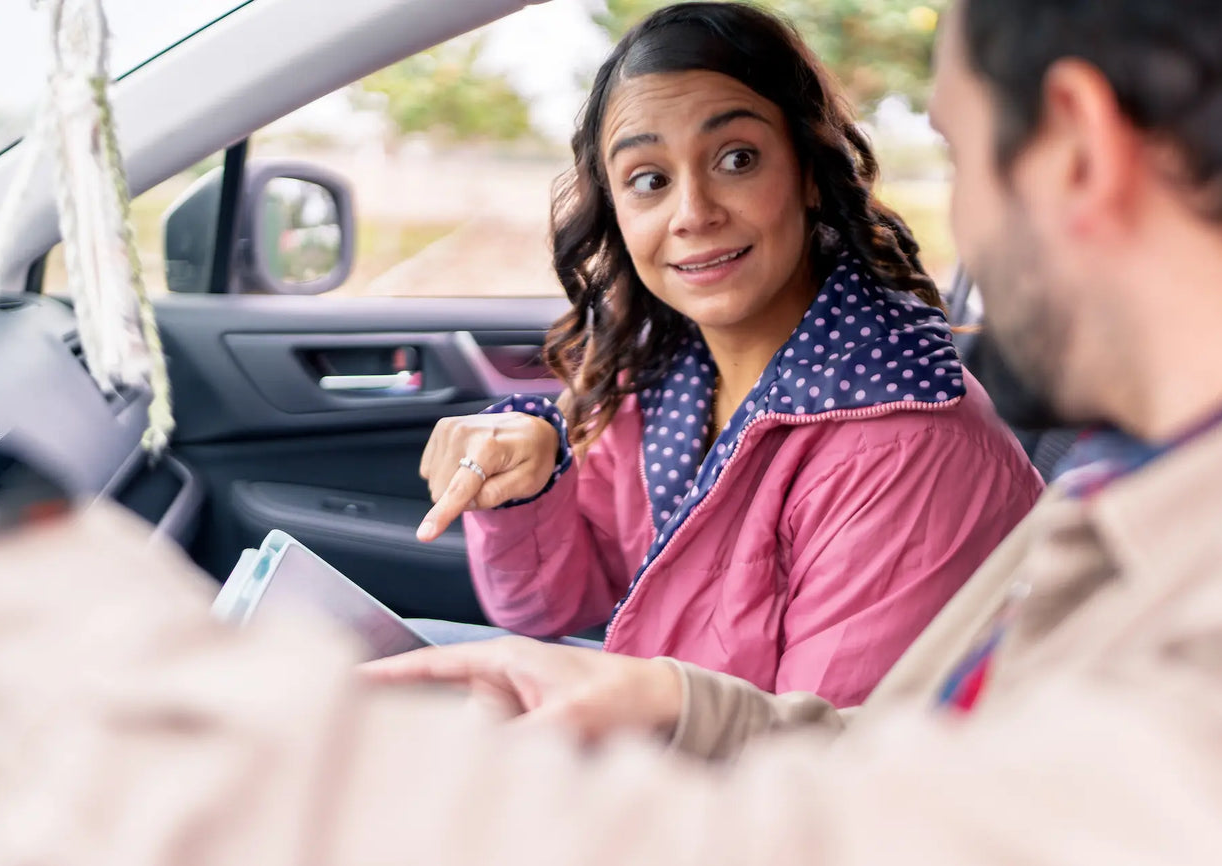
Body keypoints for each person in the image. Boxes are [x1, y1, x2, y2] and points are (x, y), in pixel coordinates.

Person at [0, 0, 1222, 866]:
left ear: (1080, 147)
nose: (696, 208)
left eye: (962, 156)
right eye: (645, 177)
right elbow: (859, 740)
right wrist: (656, 679)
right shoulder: (1180, 492)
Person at [405, 2, 1041, 707]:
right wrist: (530, 478)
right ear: (615, 209)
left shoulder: (902, 446)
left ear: (805, 171)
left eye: (736, 159)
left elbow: (825, 771)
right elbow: (549, 609)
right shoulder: (660, 373)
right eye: (649, 179)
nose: (693, 212)